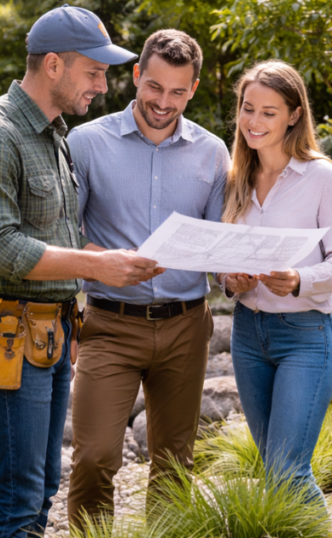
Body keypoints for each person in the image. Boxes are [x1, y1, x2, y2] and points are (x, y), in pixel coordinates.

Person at [0, 5, 162, 537]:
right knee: (16, 498)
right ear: (52, 66)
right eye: (94, 72)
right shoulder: (0, 133)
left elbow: (51, 234)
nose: (104, 86)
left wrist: (111, 258)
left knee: (43, 487)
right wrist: (95, 265)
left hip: (57, 334)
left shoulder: (55, 134)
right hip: (13, 338)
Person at [65, 29, 230, 532]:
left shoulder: (213, 152)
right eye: (154, 87)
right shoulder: (85, 142)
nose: (163, 102)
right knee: (93, 456)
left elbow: (220, 245)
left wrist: (237, 273)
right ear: (137, 76)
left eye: (177, 92)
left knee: (176, 461)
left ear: (193, 89)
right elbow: (63, 234)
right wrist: (103, 260)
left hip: (187, 326)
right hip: (109, 325)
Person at [219, 59, 332, 506]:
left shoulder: (322, 177)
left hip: (306, 336)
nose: (254, 122)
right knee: (272, 466)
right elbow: (221, 258)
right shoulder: (235, 179)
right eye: (249, 109)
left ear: (294, 114)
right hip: (247, 335)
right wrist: (231, 279)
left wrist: (301, 278)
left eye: (269, 112)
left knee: (288, 470)